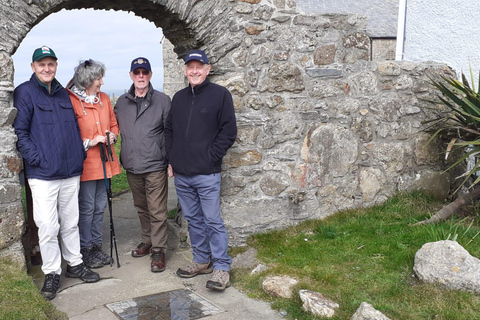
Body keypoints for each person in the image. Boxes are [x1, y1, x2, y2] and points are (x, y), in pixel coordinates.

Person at [13, 46, 100, 301]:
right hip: (43, 174)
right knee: (48, 226)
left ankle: (74, 263)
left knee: (70, 222)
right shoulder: (25, 93)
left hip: (70, 170)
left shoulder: (63, 94)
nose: (47, 68)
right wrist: (37, 159)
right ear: (33, 67)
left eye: (51, 64)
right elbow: (20, 132)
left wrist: (78, 155)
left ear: (56, 66)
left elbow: (73, 127)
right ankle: (51, 272)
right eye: (42, 64)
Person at [165, 49, 237, 292]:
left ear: (207, 69)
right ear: (185, 71)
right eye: (190, 67)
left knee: (213, 221)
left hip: (206, 173)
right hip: (182, 175)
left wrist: (211, 157)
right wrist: (171, 158)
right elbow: (169, 130)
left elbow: (228, 131)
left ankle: (221, 268)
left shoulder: (220, 95)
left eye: (199, 66)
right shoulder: (179, 98)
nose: (194, 71)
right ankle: (202, 260)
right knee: (194, 219)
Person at [114, 57, 171, 273]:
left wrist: (171, 161)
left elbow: (169, 132)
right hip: (132, 165)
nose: (140, 76)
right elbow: (113, 127)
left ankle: (159, 250)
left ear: (150, 75)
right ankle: (147, 240)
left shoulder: (163, 101)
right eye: (136, 72)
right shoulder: (122, 102)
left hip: (155, 164)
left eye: (144, 72)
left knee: (157, 209)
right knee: (141, 207)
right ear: (131, 75)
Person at [66, 59, 121, 269]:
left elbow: (114, 124)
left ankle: (96, 246)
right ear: (88, 79)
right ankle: (85, 248)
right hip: (87, 164)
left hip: (104, 162)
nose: (102, 82)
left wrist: (112, 137)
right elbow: (69, 135)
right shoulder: (71, 101)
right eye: (99, 78)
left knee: (100, 206)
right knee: (87, 207)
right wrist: (90, 141)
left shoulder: (104, 99)